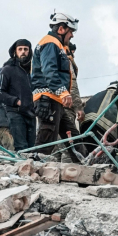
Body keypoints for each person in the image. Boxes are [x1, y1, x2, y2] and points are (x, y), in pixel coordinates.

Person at [31, 12, 77, 153]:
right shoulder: (50, 43)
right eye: (71, 32)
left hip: (55, 100)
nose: (72, 36)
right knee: (46, 142)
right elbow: (49, 70)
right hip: (48, 99)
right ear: (61, 29)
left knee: (73, 138)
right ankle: (31, 168)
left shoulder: (57, 45)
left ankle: (85, 164)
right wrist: (62, 92)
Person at [0, 39, 34, 152]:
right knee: (21, 149)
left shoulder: (32, 72)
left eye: (26, 49)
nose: (23, 52)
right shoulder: (7, 70)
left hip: (31, 115)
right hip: (15, 113)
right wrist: (16, 101)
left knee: (33, 150)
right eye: (20, 49)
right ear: (15, 52)